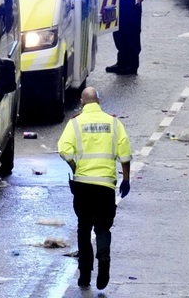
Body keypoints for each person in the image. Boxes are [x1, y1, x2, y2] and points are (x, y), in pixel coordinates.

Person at [58, 87, 132, 290]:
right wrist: (126, 179)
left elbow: (64, 149)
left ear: (82, 102)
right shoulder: (114, 123)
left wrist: (74, 166)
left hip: (83, 185)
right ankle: (104, 260)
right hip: (105, 186)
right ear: (98, 101)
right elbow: (125, 153)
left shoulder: (75, 123)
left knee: (84, 227)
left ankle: (84, 275)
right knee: (103, 227)